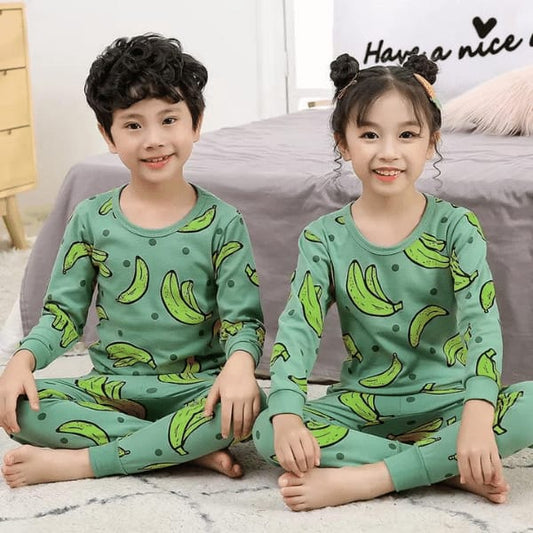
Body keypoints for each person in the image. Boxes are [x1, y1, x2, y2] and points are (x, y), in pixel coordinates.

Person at [253, 52, 533, 511]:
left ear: (431, 142)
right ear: (343, 142)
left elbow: (481, 326)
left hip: (449, 402)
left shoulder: (458, 227)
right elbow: (298, 331)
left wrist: (479, 415)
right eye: (368, 134)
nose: (388, 152)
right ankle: (445, 469)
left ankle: (369, 478)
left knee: (527, 404)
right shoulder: (323, 238)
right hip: (363, 404)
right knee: (267, 428)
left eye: (407, 135)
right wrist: (286, 413)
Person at [0, 34, 265, 488]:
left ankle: (85, 462)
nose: (154, 140)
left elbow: (245, 322)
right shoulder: (90, 217)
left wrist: (240, 367)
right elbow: (63, 316)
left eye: (169, 120)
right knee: (19, 406)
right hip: (112, 391)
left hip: (198, 393)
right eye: (133, 125)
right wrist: (22, 360)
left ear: (196, 124)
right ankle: (175, 449)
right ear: (108, 135)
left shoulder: (224, 221)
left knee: (251, 407)